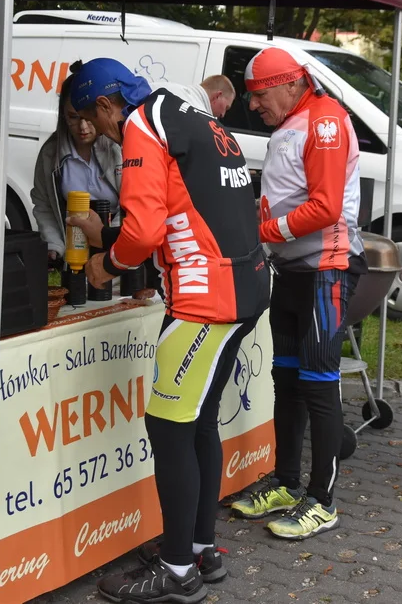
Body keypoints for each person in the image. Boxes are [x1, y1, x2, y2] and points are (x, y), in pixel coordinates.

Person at [64, 58, 270, 603]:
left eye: (93, 118)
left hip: (207, 301)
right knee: (199, 424)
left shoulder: (141, 124)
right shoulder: (188, 114)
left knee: (169, 428)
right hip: (242, 287)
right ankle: (199, 548)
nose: (99, 130)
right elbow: (183, 208)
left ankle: (178, 572)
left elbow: (146, 227)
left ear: (107, 104)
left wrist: (107, 263)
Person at [228, 47, 366, 540]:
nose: (254, 105)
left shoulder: (324, 120)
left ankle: (322, 500)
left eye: (260, 95)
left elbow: (327, 206)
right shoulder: (294, 119)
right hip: (291, 270)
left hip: (325, 269)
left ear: (290, 84)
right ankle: (286, 482)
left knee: (317, 381)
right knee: (284, 379)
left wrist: (265, 230)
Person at [30, 61, 123, 261]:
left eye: (89, 117)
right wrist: (55, 245)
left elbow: (134, 206)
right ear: (62, 115)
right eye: (73, 117)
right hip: (73, 252)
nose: (83, 126)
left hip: (118, 249)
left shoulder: (119, 148)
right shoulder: (50, 154)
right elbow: (43, 203)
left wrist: (109, 242)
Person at [149, 75, 237, 119]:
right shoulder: (200, 117)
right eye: (226, 107)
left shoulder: (162, 87)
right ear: (218, 96)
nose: (223, 114)